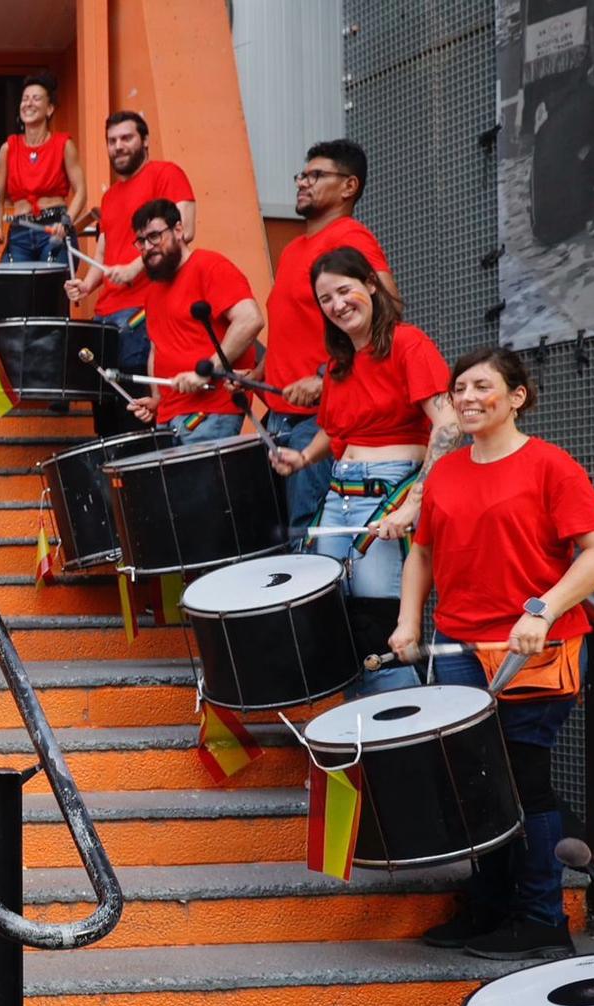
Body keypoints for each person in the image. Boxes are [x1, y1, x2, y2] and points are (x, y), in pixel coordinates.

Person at [391, 347, 594, 960]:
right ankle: (488, 906)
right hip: (461, 646)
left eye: (482, 386)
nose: (466, 397)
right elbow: (423, 554)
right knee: (475, 781)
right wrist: (407, 620)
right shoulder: (443, 472)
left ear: (517, 396)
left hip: (534, 650)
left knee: (523, 780)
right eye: (458, 387)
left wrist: (543, 608)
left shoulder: (551, 465)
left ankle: (543, 917)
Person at [269, 248, 460, 696]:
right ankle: (360, 730)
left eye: (344, 289)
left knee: (378, 620)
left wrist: (416, 502)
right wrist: (301, 459)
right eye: (325, 299)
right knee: (332, 613)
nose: (337, 304)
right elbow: (337, 433)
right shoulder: (339, 365)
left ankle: (403, 731)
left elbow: (448, 424)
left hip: (389, 490)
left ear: (371, 285)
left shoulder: (407, 342)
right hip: (340, 492)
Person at [257, 141, 395, 535]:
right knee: (276, 541)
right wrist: (259, 370)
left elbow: (389, 311)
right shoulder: (295, 250)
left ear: (349, 186)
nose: (303, 182)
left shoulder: (350, 236)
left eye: (316, 175)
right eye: (302, 175)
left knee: (307, 537)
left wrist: (327, 380)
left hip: (316, 421)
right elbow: (293, 329)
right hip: (279, 417)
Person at [64, 110, 193, 381]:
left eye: (126, 138)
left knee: (134, 403)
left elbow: (185, 230)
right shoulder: (109, 196)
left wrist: (135, 268)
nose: (118, 146)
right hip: (104, 315)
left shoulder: (166, 173)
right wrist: (86, 285)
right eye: (112, 141)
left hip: (143, 310)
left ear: (144, 140)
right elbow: (103, 251)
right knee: (106, 408)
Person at [122, 198, 264, 444]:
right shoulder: (154, 291)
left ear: (178, 230)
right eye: (141, 241)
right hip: (168, 415)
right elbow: (158, 349)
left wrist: (205, 372)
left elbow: (250, 319)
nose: (148, 247)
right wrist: (157, 399)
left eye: (155, 236)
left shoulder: (209, 266)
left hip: (210, 412)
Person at [0, 71, 86, 265]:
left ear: (49, 109)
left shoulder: (63, 144)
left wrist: (66, 222)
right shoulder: (8, 148)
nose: (28, 103)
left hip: (54, 226)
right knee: (13, 290)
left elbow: (82, 191)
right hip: (19, 231)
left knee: (52, 291)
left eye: (36, 99)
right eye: (25, 99)